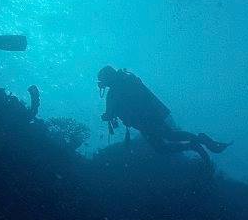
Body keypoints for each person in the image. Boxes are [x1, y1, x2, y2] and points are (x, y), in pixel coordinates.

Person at [98, 66, 230, 162]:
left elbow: (109, 114)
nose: (101, 83)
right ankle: (197, 142)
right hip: (150, 117)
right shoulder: (126, 81)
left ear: (107, 78)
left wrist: (106, 117)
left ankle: (199, 141)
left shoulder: (114, 92)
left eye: (102, 80)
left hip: (145, 121)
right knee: (166, 142)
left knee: (167, 141)